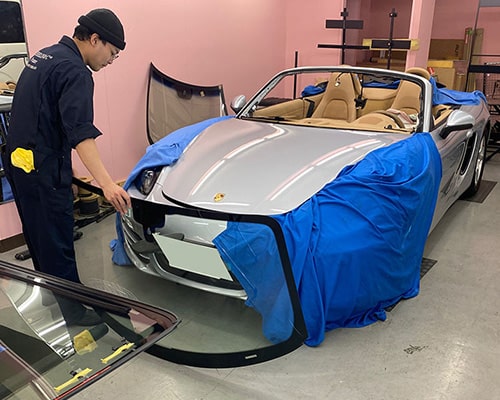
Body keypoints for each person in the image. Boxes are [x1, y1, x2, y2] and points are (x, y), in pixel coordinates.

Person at [1, 9, 131, 323]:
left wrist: (66, 167)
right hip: (41, 169)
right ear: (95, 39)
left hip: (20, 162)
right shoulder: (76, 72)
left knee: (39, 237)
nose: (111, 60)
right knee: (57, 239)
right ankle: (72, 312)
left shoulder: (45, 56)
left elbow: (40, 115)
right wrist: (107, 184)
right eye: (112, 53)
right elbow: (81, 134)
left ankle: (54, 298)